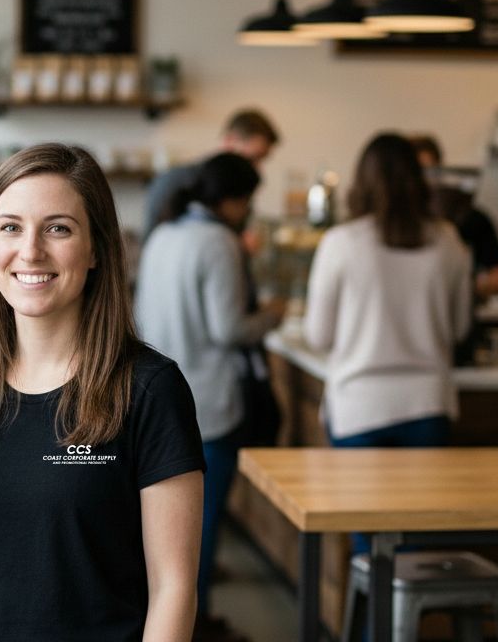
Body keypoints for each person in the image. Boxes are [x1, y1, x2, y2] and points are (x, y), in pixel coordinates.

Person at [0, 143, 205, 641]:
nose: (30, 251)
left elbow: (173, 587)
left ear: (95, 248)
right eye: (10, 227)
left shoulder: (149, 390)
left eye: (58, 228)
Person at [135, 152, 283, 642]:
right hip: (209, 402)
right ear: (233, 199)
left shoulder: (165, 231)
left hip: (155, 396)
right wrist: (274, 315)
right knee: (198, 531)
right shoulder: (218, 241)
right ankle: (197, 627)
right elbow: (229, 328)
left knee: (162, 535)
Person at [304, 133, 471, 458]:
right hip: (428, 402)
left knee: (356, 509)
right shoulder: (449, 241)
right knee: (421, 509)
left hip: (359, 406)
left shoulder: (341, 242)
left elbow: (318, 335)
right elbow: (459, 328)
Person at [142, 108, 279, 238]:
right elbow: (151, 244)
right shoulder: (173, 180)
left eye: (262, 160)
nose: (258, 168)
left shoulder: (240, 190)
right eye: (253, 158)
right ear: (229, 141)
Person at [412, 134, 498, 298]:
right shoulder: (400, 224)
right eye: (419, 172)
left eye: (431, 171)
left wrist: (467, 288)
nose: (426, 180)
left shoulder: (472, 219)